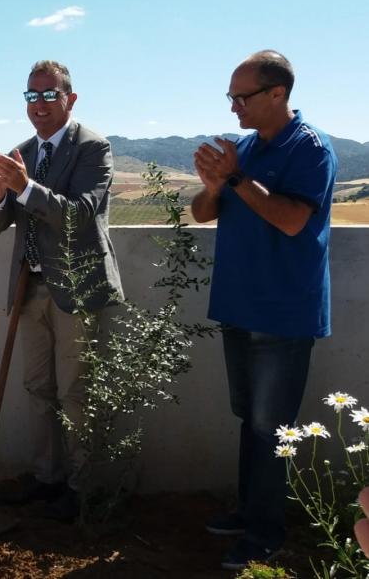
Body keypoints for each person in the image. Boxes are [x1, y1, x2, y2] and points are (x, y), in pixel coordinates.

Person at [192, 51, 337, 570]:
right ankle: (249, 511)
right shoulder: (244, 151)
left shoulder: (311, 150)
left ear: (278, 94)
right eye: (230, 97)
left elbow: (293, 220)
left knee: (272, 427)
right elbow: (202, 213)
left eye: (242, 97)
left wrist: (234, 179)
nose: (234, 107)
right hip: (238, 305)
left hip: (283, 313)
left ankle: (268, 532)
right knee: (248, 419)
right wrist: (214, 186)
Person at [0, 60, 123, 521]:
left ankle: (81, 487)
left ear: (70, 98)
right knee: (36, 388)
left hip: (75, 290)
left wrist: (23, 187)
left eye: (48, 94)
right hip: (31, 288)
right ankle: (47, 478)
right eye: (31, 95)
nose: (39, 104)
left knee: (75, 392)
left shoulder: (92, 147)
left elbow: (79, 214)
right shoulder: (21, 151)